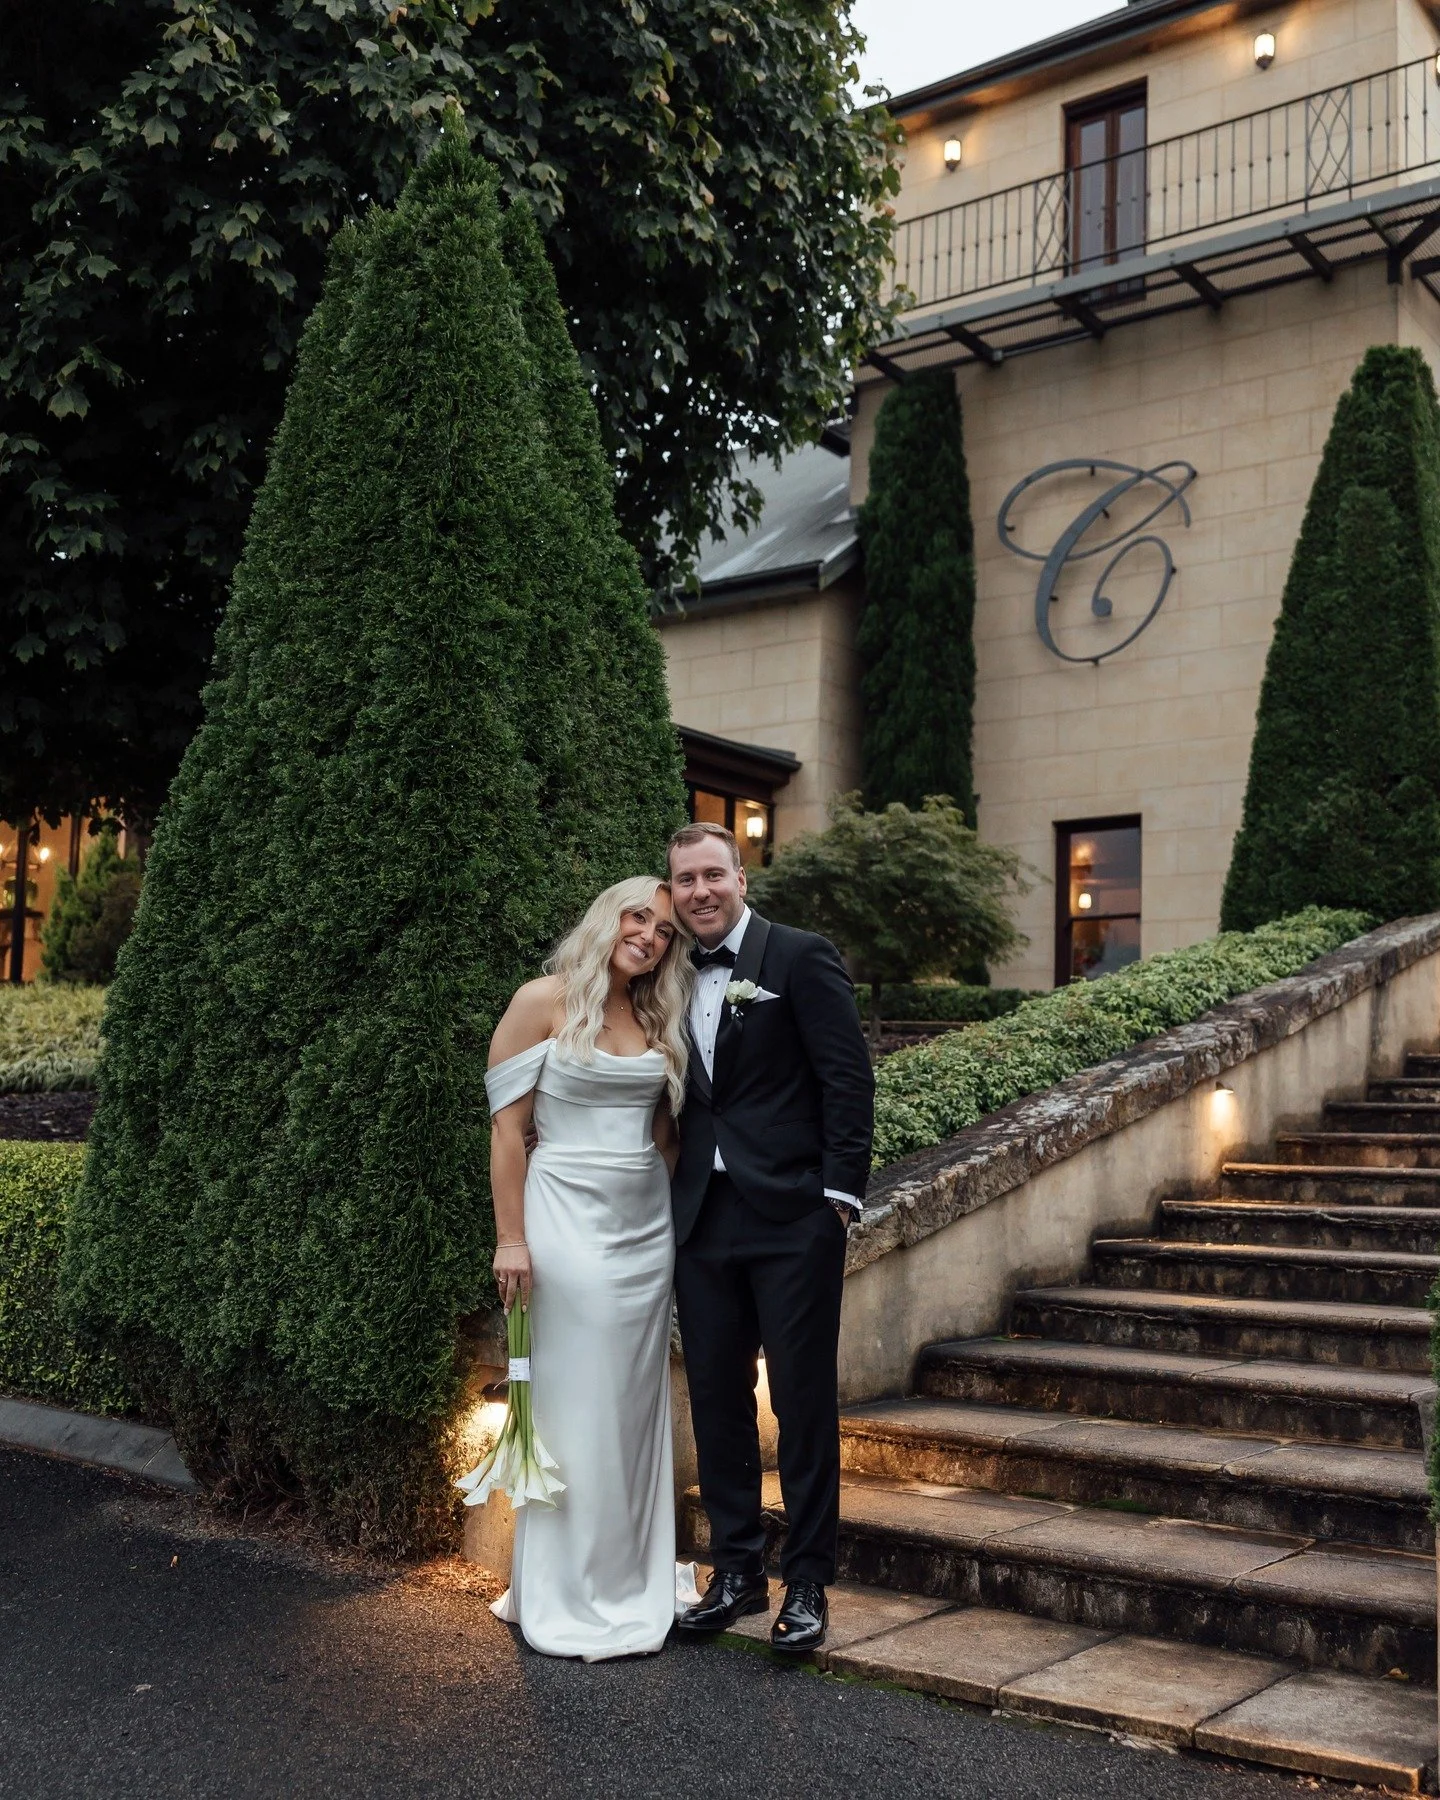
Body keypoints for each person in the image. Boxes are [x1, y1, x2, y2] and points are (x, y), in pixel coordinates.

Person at [667, 822, 875, 1656]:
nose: (700, 892)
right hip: (702, 1221)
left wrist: (839, 1198)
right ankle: (738, 1573)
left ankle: (810, 1582)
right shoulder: (670, 974)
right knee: (716, 1398)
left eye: (712, 875)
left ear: (740, 879)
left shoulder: (799, 955)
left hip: (794, 1217)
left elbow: (846, 1075)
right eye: (684, 880)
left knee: (800, 1401)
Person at [476, 875, 693, 1660]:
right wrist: (512, 1241)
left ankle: (631, 1570)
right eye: (640, 916)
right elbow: (508, 1133)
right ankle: (570, 1587)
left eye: (665, 931)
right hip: (565, 1221)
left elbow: (667, 1142)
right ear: (610, 916)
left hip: (646, 1231)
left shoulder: (657, 1014)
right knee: (583, 1404)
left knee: (634, 1408)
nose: (649, 936)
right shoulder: (543, 1000)